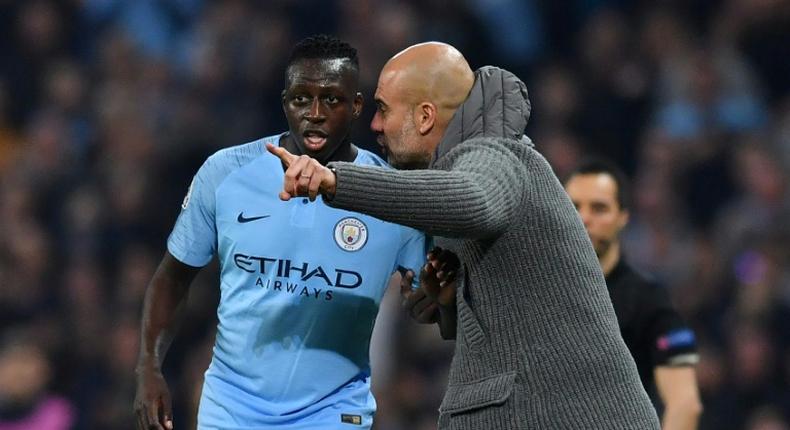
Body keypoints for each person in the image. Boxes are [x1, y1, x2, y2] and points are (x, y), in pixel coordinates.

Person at [268, 42, 661, 429]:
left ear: (424, 117)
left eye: (383, 109)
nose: (374, 125)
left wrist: (336, 181)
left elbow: (475, 202)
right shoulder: (458, 173)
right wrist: (449, 305)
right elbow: (517, 327)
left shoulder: (496, 155)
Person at [133, 35, 427, 430]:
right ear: (284, 100)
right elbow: (173, 276)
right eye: (301, 99)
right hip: (231, 406)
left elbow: (434, 304)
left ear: (357, 105)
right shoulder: (225, 173)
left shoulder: (393, 195)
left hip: (333, 411)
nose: (315, 113)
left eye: (332, 99)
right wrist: (149, 368)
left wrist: (428, 302)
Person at [563, 159, 703, 429]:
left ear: (623, 217)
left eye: (599, 208)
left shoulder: (651, 301)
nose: (584, 219)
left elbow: (685, 402)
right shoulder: (536, 294)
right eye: (573, 207)